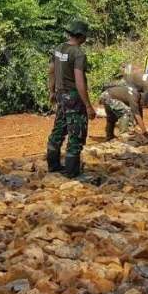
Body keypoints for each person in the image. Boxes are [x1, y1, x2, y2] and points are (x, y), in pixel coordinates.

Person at [47, 20, 96, 178]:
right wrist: (88, 105)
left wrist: (52, 91)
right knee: (76, 134)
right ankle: (72, 173)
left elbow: (51, 71)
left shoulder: (58, 49)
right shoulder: (78, 54)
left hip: (61, 95)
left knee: (59, 129)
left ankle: (53, 166)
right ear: (81, 36)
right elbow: (79, 80)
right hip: (74, 97)